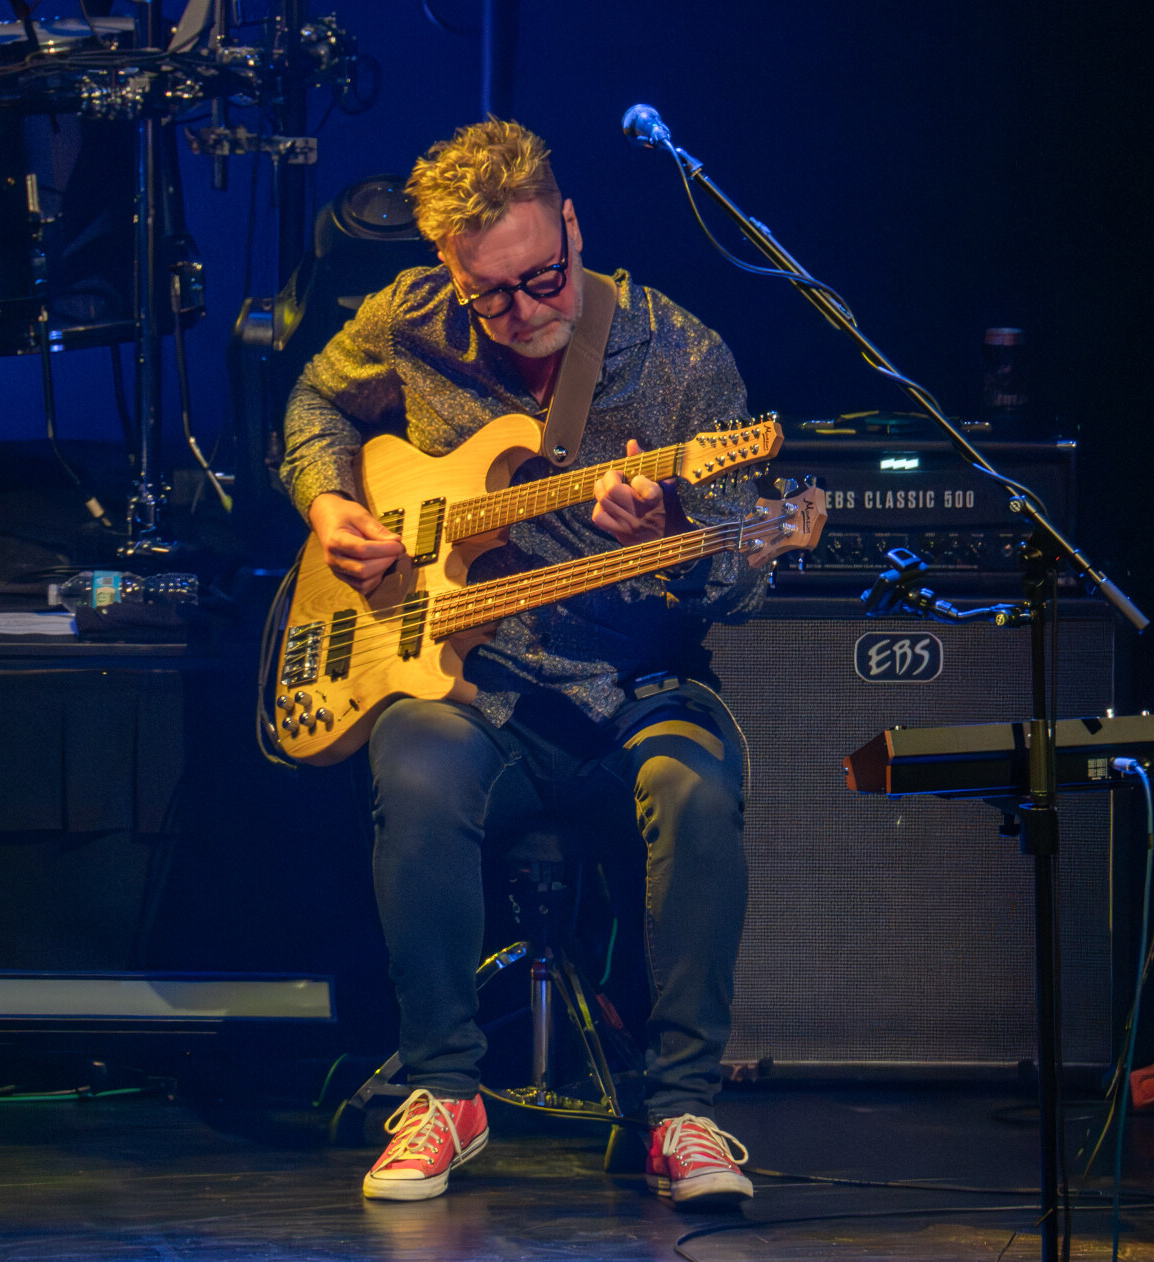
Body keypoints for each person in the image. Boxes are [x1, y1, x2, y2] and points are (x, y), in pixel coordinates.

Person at [281, 119, 771, 1207]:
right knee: (414, 767)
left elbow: (744, 588)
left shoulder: (683, 358)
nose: (524, 311)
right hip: (474, 682)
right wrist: (328, 501)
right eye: (489, 294)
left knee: (695, 791)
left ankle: (681, 1110)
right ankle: (444, 1092)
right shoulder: (411, 318)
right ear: (449, 270)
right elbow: (314, 398)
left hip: (635, 689)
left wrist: (667, 541)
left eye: (543, 278)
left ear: (572, 228)